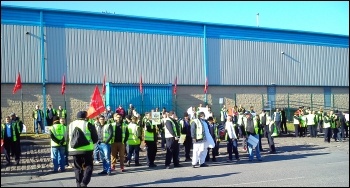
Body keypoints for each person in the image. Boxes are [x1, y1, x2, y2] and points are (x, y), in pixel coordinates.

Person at [65, 111, 98, 187]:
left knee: (77, 168)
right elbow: (95, 138)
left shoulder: (70, 125)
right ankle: (84, 182)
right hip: (86, 150)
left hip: (74, 150)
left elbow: (66, 138)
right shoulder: (88, 124)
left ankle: (78, 184)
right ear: (85, 117)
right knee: (89, 166)